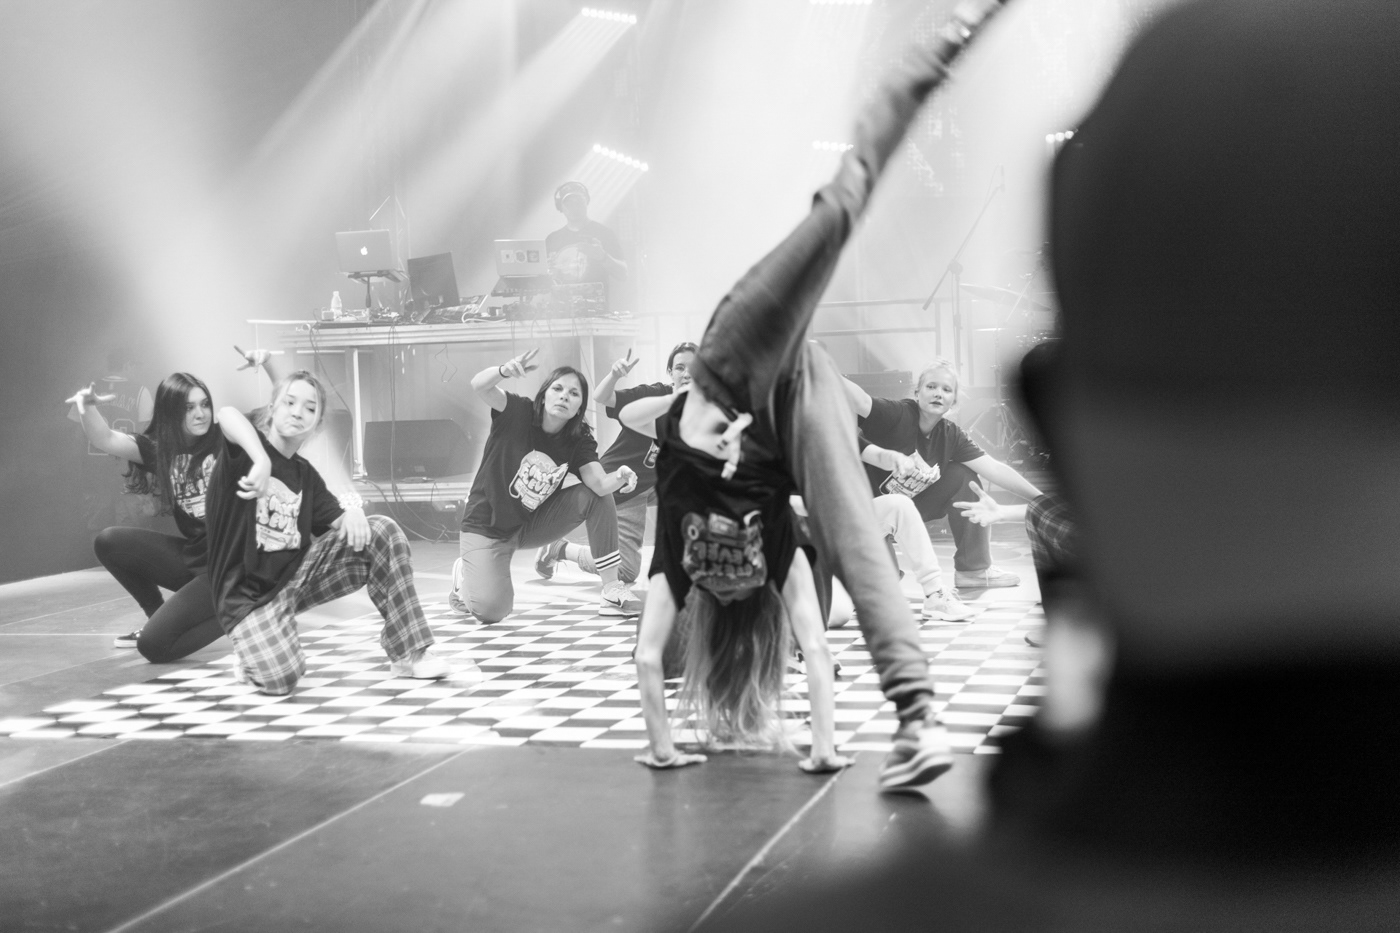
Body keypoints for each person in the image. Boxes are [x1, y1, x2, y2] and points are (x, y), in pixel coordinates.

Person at [616, 10, 1009, 790]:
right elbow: (803, 647)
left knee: (858, 526)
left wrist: (665, 748)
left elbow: (655, 659)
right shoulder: (753, 564)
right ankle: (917, 715)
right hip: (782, 384)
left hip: (749, 373)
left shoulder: (695, 570)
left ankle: (918, 711)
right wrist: (819, 747)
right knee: (841, 206)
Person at [206, 369, 458, 695]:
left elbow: (340, 521)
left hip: (294, 581)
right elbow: (227, 415)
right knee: (282, 678)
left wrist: (353, 513)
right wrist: (260, 460)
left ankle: (409, 653)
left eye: (309, 408)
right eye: (289, 403)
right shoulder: (243, 454)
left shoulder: (305, 474)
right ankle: (252, 651)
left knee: (381, 531)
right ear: (272, 409)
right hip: (247, 598)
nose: (298, 412)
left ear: (317, 423)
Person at [65, 348, 272, 660]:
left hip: (235, 567)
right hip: (198, 559)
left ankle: (241, 608)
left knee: (153, 647)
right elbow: (104, 439)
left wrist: (269, 364)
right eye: (189, 408)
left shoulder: (227, 438)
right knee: (108, 541)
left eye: (204, 404)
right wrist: (87, 408)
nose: (200, 413)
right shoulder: (160, 449)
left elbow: (278, 410)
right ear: (171, 412)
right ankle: (156, 616)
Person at [448, 350, 640, 622]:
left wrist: (620, 476)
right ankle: (466, 576)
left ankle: (611, 589)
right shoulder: (517, 412)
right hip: (486, 527)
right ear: (544, 395)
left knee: (597, 496)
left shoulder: (579, 439)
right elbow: (479, 385)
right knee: (491, 611)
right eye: (557, 388)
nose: (564, 396)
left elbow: (599, 484)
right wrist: (503, 370)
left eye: (574, 393)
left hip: (528, 524)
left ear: (579, 407)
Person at [844, 359, 1044, 590]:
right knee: (882, 588)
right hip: (867, 512)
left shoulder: (951, 434)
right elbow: (859, 399)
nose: (938, 393)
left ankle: (974, 570)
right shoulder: (897, 414)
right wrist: (816, 364)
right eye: (931, 387)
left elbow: (995, 469)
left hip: (908, 509)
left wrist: (1042, 500)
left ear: (954, 401)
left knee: (963, 476)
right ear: (917, 392)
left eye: (946, 389)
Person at [535, 342, 698, 595]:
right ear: (670, 372)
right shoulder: (653, 395)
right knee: (625, 571)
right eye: (679, 368)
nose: (687, 374)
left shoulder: (703, 409)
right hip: (623, 485)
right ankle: (558, 548)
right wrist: (614, 375)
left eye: (694, 368)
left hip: (656, 484)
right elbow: (602, 397)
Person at [546, 181, 627, 312]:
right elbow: (543, 283)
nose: (574, 206)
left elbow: (623, 273)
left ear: (586, 202)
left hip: (597, 313)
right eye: (569, 203)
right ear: (560, 207)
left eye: (579, 201)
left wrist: (603, 257)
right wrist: (548, 274)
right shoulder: (552, 239)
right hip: (561, 313)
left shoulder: (604, 233)